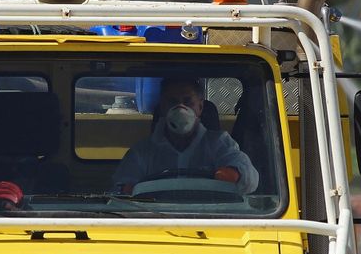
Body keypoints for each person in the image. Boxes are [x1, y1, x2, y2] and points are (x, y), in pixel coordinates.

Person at [111, 78, 259, 193]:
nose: (181, 108)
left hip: (211, 218)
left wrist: (232, 174)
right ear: (162, 107)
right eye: (173, 102)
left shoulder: (219, 143)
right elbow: (121, 189)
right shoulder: (142, 151)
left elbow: (249, 177)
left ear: (200, 107)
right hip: (154, 220)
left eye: (188, 102)